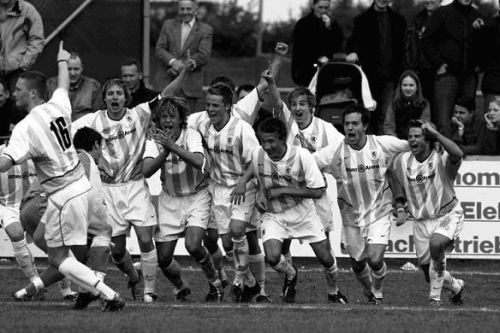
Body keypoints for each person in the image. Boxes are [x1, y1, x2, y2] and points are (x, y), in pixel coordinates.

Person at [0, 42, 124, 311]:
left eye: (18, 89)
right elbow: (63, 86)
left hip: (63, 195)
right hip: (80, 184)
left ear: (32, 93)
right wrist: (61, 61)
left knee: (58, 257)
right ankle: (97, 290)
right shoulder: (57, 105)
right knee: (73, 252)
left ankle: (108, 294)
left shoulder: (25, 127)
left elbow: (5, 162)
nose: (13, 93)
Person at [72, 63, 187, 303]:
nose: (115, 97)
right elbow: (69, 136)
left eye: (119, 93)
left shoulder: (139, 114)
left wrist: (184, 70)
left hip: (134, 187)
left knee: (146, 239)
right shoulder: (93, 120)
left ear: (126, 98)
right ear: (104, 98)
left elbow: (167, 92)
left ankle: (149, 291)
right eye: (110, 93)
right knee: (117, 250)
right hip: (108, 191)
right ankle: (134, 277)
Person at [231, 117, 346, 303]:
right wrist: (244, 182)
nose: (266, 146)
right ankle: (291, 273)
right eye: (263, 141)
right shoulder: (257, 154)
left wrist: (281, 190)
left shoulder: (302, 156)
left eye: (271, 141)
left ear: (283, 139)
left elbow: (318, 191)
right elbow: (255, 167)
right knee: (273, 257)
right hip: (274, 214)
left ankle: (334, 291)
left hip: (304, 213)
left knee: (326, 258)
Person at [313, 104, 409, 304]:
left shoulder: (382, 144)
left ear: (365, 126)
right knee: (357, 264)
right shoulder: (335, 151)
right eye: (346, 124)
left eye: (355, 123)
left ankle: (378, 292)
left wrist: (433, 142)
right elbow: (309, 164)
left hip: (379, 212)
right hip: (351, 218)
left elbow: (411, 145)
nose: (349, 128)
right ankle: (369, 291)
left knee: (375, 259)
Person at [143, 96, 223, 302]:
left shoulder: (192, 135)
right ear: (158, 120)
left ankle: (215, 282)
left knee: (193, 245)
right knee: (163, 258)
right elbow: (146, 170)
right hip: (169, 198)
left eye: (172, 116)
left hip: (197, 196)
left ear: (181, 119)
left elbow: (199, 161)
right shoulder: (154, 139)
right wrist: (166, 149)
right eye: (163, 117)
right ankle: (181, 286)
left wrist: (173, 146)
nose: (168, 121)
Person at [188, 83, 262, 302]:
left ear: (228, 106)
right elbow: (179, 119)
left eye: (216, 106)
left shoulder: (242, 129)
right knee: (228, 244)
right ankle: (250, 283)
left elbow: (257, 160)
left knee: (239, 230)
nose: (210, 109)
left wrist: (242, 183)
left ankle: (239, 280)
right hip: (219, 189)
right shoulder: (202, 123)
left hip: (243, 186)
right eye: (208, 105)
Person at [391, 120, 466, 306]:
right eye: (410, 136)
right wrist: (400, 205)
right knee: (428, 274)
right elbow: (391, 176)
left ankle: (435, 299)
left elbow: (458, 153)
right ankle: (456, 286)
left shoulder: (441, 159)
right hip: (420, 222)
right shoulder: (402, 160)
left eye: (417, 136)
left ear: (429, 139)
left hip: (447, 214)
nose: (412, 140)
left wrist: (437, 135)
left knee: (436, 244)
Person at [421, 0, 482, 138]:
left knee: (466, 119)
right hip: (447, 75)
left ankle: (464, 152)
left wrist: (479, 65)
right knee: (444, 119)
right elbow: (426, 41)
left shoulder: (478, 16)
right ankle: (445, 155)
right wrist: (439, 64)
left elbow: (484, 44)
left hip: (469, 76)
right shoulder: (442, 13)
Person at [346, 0, 406, 134]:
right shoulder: (361, 20)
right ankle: (367, 151)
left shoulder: (399, 20)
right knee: (367, 116)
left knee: (387, 119)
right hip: (368, 79)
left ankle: (383, 153)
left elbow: (404, 49)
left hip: (391, 77)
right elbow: (352, 42)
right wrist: (352, 52)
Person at [155, 0, 213, 113]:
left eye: (188, 9)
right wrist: (172, 62)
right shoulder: (168, 25)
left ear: (195, 10)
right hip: (165, 83)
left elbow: (203, 55)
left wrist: (181, 66)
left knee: (186, 122)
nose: (185, 12)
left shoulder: (205, 29)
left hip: (189, 87)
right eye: (182, 9)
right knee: (160, 119)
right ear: (178, 10)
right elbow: (159, 49)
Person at [0, 143, 39, 290]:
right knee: (16, 234)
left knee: (55, 241)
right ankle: (35, 281)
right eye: (10, 132)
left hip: (34, 204)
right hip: (7, 206)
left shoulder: (36, 153)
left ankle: (66, 290)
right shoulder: (0, 154)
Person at [291, 0, 343, 86]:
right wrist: (317, 58)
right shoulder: (303, 24)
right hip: (305, 71)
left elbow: (337, 46)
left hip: (325, 70)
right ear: (313, 6)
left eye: (326, 8)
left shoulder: (333, 24)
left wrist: (329, 29)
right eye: (320, 7)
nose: (323, 11)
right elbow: (301, 48)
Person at [0, 0, 44, 92]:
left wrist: (24, 65)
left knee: (17, 103)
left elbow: (37, 39)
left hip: (17, 72)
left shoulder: (28, 11)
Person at [405, 0, 442, 103]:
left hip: (441, 73)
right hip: (421, 72)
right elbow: (411, 47)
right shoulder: (417, 19)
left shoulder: (447, 17)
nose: (429, 1)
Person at [47, 52, 102, 121]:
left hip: (84, 129)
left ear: (82, 68)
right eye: (69, 69)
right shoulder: (50, 85)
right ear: (63, 69)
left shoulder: (93, 86)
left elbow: (98, 116)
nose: (72, 73)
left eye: (76, 69)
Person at [384, 70, 431, 139]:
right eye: (405, 85)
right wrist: (397, 142)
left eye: (411, 85)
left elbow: (424, 125)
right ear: (400, 87)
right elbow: (389, 127)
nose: (408, 88)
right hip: (398, 143)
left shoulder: (424, 104)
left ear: (417, 87)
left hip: (418, 141)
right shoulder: (394, 104)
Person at [475, 12, 500, 116]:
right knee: (492, 125)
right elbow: (482, 57)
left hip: (493, 82)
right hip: (495, 85)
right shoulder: (490, 26)